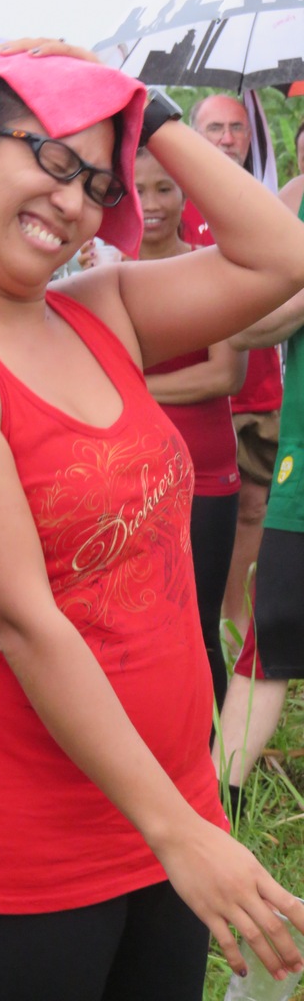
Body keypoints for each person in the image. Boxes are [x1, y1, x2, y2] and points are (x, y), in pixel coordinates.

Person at [0, 42, 304, 1000]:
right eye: (53, 159)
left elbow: (282, 255)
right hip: (26, 848)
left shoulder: (101, 313)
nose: (73, 204)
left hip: (168, 809)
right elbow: (26, 623)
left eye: (98, 185)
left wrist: (149, 109)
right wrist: (182, 834)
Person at [80, 147, 246, 719]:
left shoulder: (213, 266)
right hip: (127, 476)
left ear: (184, 196)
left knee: (199, 626)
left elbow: (225, 375)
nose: (150, 204)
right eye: (136, 190)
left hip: (205, 473)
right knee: (136, 628)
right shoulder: (101, 279)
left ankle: (217, 762)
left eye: (164, 189)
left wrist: (134, 386)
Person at [212, 171, 304, 817]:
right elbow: (241, 325)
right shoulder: (293, 208)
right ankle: (218, 804)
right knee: (271, 632)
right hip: (301, 475)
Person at [185, 94, 283, 646]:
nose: (226, 138)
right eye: (214, 127)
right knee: (196, 511)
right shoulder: (173, 199)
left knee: (254, 508)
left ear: (250, 137)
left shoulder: (264, 203)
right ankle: (199, 620)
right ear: (193, 134)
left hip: (260, 386)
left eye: (237, 128)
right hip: (203, 390)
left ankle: (234, 624)